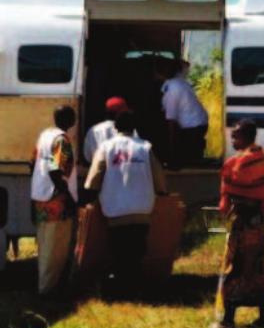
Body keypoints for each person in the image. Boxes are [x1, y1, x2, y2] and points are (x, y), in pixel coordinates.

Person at [213, 119, 264, 328]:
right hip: (258, 224)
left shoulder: (237, 164)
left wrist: (233, 202)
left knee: (235, 266)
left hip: (242, 224)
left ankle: (228, 320)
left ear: (247, 137)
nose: (232, 139)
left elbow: (233, 186)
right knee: (257, 267)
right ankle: (263, 317)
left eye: (235, 136)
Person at [84, 111, 167, 294]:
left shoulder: (106, 147)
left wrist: (90, 191)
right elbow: (158, 174)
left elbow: (95, 175)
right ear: (134, 128)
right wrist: (162, 191)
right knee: (137, 247)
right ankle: (135, 282)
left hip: (116, 208)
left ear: (116, 128)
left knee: (118, 247)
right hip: (142, 207)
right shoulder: (145, 147)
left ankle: (120, 284)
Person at [30, 106, 79, 297]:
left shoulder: (45, 136)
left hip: (40, 196)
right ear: (71, 120)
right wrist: (66, 196)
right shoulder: (61, 140)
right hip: (56, 200)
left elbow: (32, 163)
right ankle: (48, 289)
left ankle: (45, 284)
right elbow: (55, 169)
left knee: (44, 244)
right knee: (56, 247)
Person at [158, 58, 208, 167]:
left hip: (192, 128)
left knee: (187, 162)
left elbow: (171, 120)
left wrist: (171, 149)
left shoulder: (172, 88)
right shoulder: (179, 83)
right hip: (198, 124)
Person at [83, 96, 133, 164]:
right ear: (119, 113)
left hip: (98, 170)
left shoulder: (93, 130)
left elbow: (87, 157)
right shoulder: (128, 130)